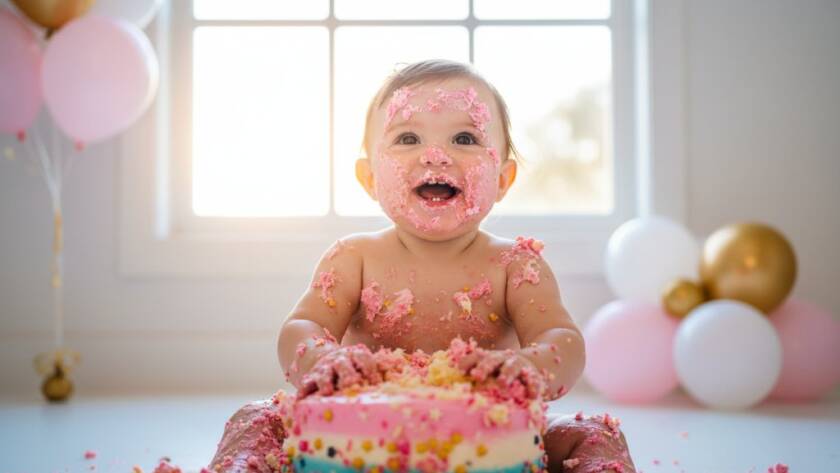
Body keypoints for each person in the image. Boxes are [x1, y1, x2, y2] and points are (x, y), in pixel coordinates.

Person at [209, 59, 635, 473]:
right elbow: (301, 328)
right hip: (358, 435)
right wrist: (323, 361)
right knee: (256, 417)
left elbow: (563, 340)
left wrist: (530, 368)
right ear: (370, 179)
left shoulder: (514, 265)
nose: (435, 155)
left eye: (464, 139)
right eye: (408, 138)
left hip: (489, 436)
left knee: (593, 432)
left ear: (503, 180)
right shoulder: (354, 257)